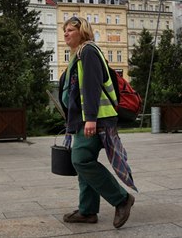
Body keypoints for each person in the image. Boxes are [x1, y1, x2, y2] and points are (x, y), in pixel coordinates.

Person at [58, 16, 135, 228]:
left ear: (82, 31)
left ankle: (122, 199)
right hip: (85, 119)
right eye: (64, 30)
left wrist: (90, 118)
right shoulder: (78, 55)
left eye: (71, 30)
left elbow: (91, 86)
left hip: (96, 119)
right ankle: (87, 211)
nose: (66, 33)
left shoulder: (88, 51)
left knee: (81, 160)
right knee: (85, 161)